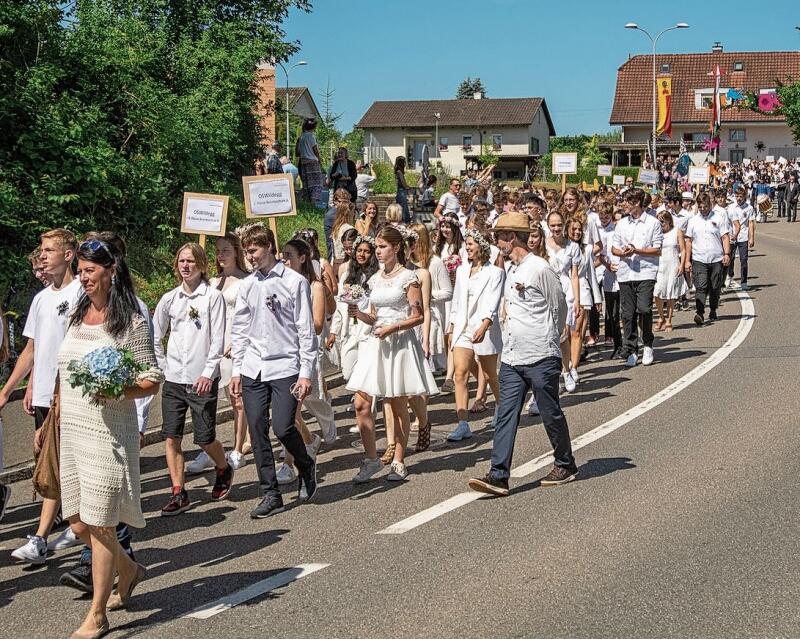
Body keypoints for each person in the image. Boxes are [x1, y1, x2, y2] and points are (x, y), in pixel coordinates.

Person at [59, 237, 162, 637]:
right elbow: (64, 369)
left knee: (100, 524)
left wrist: (119, 389)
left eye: (89, 270)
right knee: (79, 522)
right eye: (80, 270)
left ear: (110, 271)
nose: (83, 278)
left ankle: (97, 615)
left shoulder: (130, 322)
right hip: (72, 432)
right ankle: (129, 567)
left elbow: (152, 378)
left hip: (108, 435)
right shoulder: (76, 314)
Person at [468, 211, 578, 496]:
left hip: (541, 354)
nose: (497, 242)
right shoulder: (510, 270)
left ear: (512, 237)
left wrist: (550, 339)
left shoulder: (539, 268)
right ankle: (498, 475)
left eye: (500, 237)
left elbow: (559, 307)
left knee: (550, 412)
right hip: (513, 357)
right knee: (506, 413)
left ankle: (565, 463)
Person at [1, 229, 82, 564]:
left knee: (61, 464)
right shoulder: (41, 298)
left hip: (73, 394)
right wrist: (10, 389)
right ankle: (78, 527)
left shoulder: (81, 291)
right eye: (43, 250)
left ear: (68, 254)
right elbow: (33, 348)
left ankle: (42, 536)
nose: (43, 254)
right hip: (47, 394)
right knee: (50, 463)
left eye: (50, 249)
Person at [230, 223, 318, 518]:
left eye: (253, 250)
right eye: (246, 251)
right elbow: (240, 330)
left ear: (268, 246)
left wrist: (306, 372)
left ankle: (305, 465)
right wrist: (236, 371)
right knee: (256, 429)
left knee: (283, 426)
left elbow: (306, 331)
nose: (249, 256)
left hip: (285, 364)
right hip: (253, 367)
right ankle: (270, 492)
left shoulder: (294, 282)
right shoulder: (247, 285)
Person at [346, 226, 437, 483]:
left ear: (396, 248)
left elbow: (417, 316)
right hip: (377, 342)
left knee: (397, 405)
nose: (378, 251)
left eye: (383, 246)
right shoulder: (374, 279)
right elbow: (373, 315)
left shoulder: (409, 277)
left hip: (398, 342)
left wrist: (393, 328)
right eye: (377, 247)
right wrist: (358, 314)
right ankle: (371, 459)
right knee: (361, 402)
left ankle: (399, 458)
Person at [153, 243, 233, 516]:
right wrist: (163, 366)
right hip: (175, 379)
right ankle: (178, 492)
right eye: (182, 261)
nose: (185, 266)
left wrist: (208, 373)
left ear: (201, 266)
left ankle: (222, 467)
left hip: (202, 378)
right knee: (171, 437)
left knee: (204, 438)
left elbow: (218, 339)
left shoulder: (212, 297)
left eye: (191, 261)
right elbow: (155, 335)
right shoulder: (170, 299)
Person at [277, 238, 336, 483]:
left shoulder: (315, 287)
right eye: (282, 255)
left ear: (302, 258)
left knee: (290, 414)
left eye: (288, 255)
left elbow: (318, 323)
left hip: (304, 355)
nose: (283, 260)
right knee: (290, 413)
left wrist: (289, 325)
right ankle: (310, 441)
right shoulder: (279, 285)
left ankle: (288, 464)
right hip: (283, 354)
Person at [447, 229, 504, 442]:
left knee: (489, 373)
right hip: (463, 326)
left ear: (481, 246)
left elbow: (494, 300)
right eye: (466, 244)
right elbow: (457, 300)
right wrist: (452, 327)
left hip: (483, 326)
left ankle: (501, 405)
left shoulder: (495, 273)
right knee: (460, 373)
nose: (467, 247)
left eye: (471, 244)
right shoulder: (462, 271)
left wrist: (485, 324)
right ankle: (463, 423)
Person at [209, 233, 251, 470]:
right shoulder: (213, 283)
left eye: (225, 250)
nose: (221, 255)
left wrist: (238, 341)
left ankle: (237, 448)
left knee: (238, 398)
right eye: (218, 251)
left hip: (236, 341)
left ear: (236, 251)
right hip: (216, 341)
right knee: (218, 396)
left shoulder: (246, 280)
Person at [611, 188, 663, 368]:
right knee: (627, 314)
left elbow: (657, 249)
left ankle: (647, 343)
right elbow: (614, 248)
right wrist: (623, 253)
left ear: (637, 203)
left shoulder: (653, 223)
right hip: (626, 273)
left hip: (646, 272)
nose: (623, 204)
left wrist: (637, 251)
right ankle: (632, 349)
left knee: (644, 309)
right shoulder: (622, 223)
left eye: (627, 201)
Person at [545, 210, 581, 392]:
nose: (556, 228)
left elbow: (574, 275)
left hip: (566, 291)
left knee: (563, 336)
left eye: (559, 224)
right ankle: (554, 376)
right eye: (553, 225)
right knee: (549, 336)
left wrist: (577, 300)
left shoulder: (572, 246)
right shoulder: (543, 245)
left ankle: (567, 371)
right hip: (548, 290)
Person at [684, 192, 731, 326]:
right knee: (701, 286)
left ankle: (713, 309)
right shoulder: (693, 221)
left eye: (705, 206)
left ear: (710, 205)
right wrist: (687, 260)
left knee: (715, 286)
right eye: (701, 207)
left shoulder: (719, 218)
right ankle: (700, 313)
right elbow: (688, 241)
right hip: (699, 259)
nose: (703, 209)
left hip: (716, 258)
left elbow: (725, 237)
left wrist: (726, 254)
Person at [595, 202, 622, 358]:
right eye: (601, 217)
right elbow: (601, 254)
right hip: (608, 275)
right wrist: (607, 265)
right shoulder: (598, 230)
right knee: (610, 313)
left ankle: (622, 343)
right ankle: (616, 343)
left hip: (622, 274)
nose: (604, 220)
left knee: (620, 312)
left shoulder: (617, 229)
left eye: (606, 217)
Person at [653, 212, 685, 332]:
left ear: (669, 221)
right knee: (657, 292)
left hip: (672, 264)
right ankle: (661, 317)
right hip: (659, 265)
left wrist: (682, 264)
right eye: (659, 222)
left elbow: (682, 249)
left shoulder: (677, 231)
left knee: (671, 293)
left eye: (662, 222)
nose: (661, 224)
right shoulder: (656, 233)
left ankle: (669, 320)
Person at [726, 185, 756, 290]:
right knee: (731, 258)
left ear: (744, 197)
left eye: (740, 196)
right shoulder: (731, 207)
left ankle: (744, 282)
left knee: (744, 260)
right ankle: (730, 275)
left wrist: (751, 238)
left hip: (743, 236)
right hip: (732, 236)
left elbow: (751, 223)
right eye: (737, 196)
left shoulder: (749, 208)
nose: (738, 198)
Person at [296, 118, 323, 204]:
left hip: (303, 163)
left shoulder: (301, 137)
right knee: (317, 184)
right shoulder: (311, 136)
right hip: (312, 162)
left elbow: (297, 152)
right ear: (314, 127)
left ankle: (306, 203)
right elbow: (315, 149)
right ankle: (313, 203)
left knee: (307, 184)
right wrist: (319, 159)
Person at [330, 200, 357, 273]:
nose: (354, 214)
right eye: (353, 211)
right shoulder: (349, 229)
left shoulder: (336, 228)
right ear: (348, 213)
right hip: (346, 262)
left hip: (336, 262)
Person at [394, 156, 411, 224]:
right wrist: (407, 187)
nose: (405, 163)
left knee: (401, 206)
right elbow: (403, 182)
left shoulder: (398, 171)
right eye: (404, 162)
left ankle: (403, 221)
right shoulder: (399, 171)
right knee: (404, 207)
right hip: (401, 191)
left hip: (400, 190)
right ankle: (406, 221)